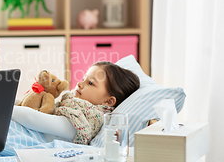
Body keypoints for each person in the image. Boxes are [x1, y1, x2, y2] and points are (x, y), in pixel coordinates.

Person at [12, 61, 140, 144]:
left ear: (108, 101)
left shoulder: (85, 121)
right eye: (83, 78)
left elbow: (34, 118)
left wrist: (4, 108)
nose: (79, 83)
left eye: (90, 83)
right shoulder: (71, 106)